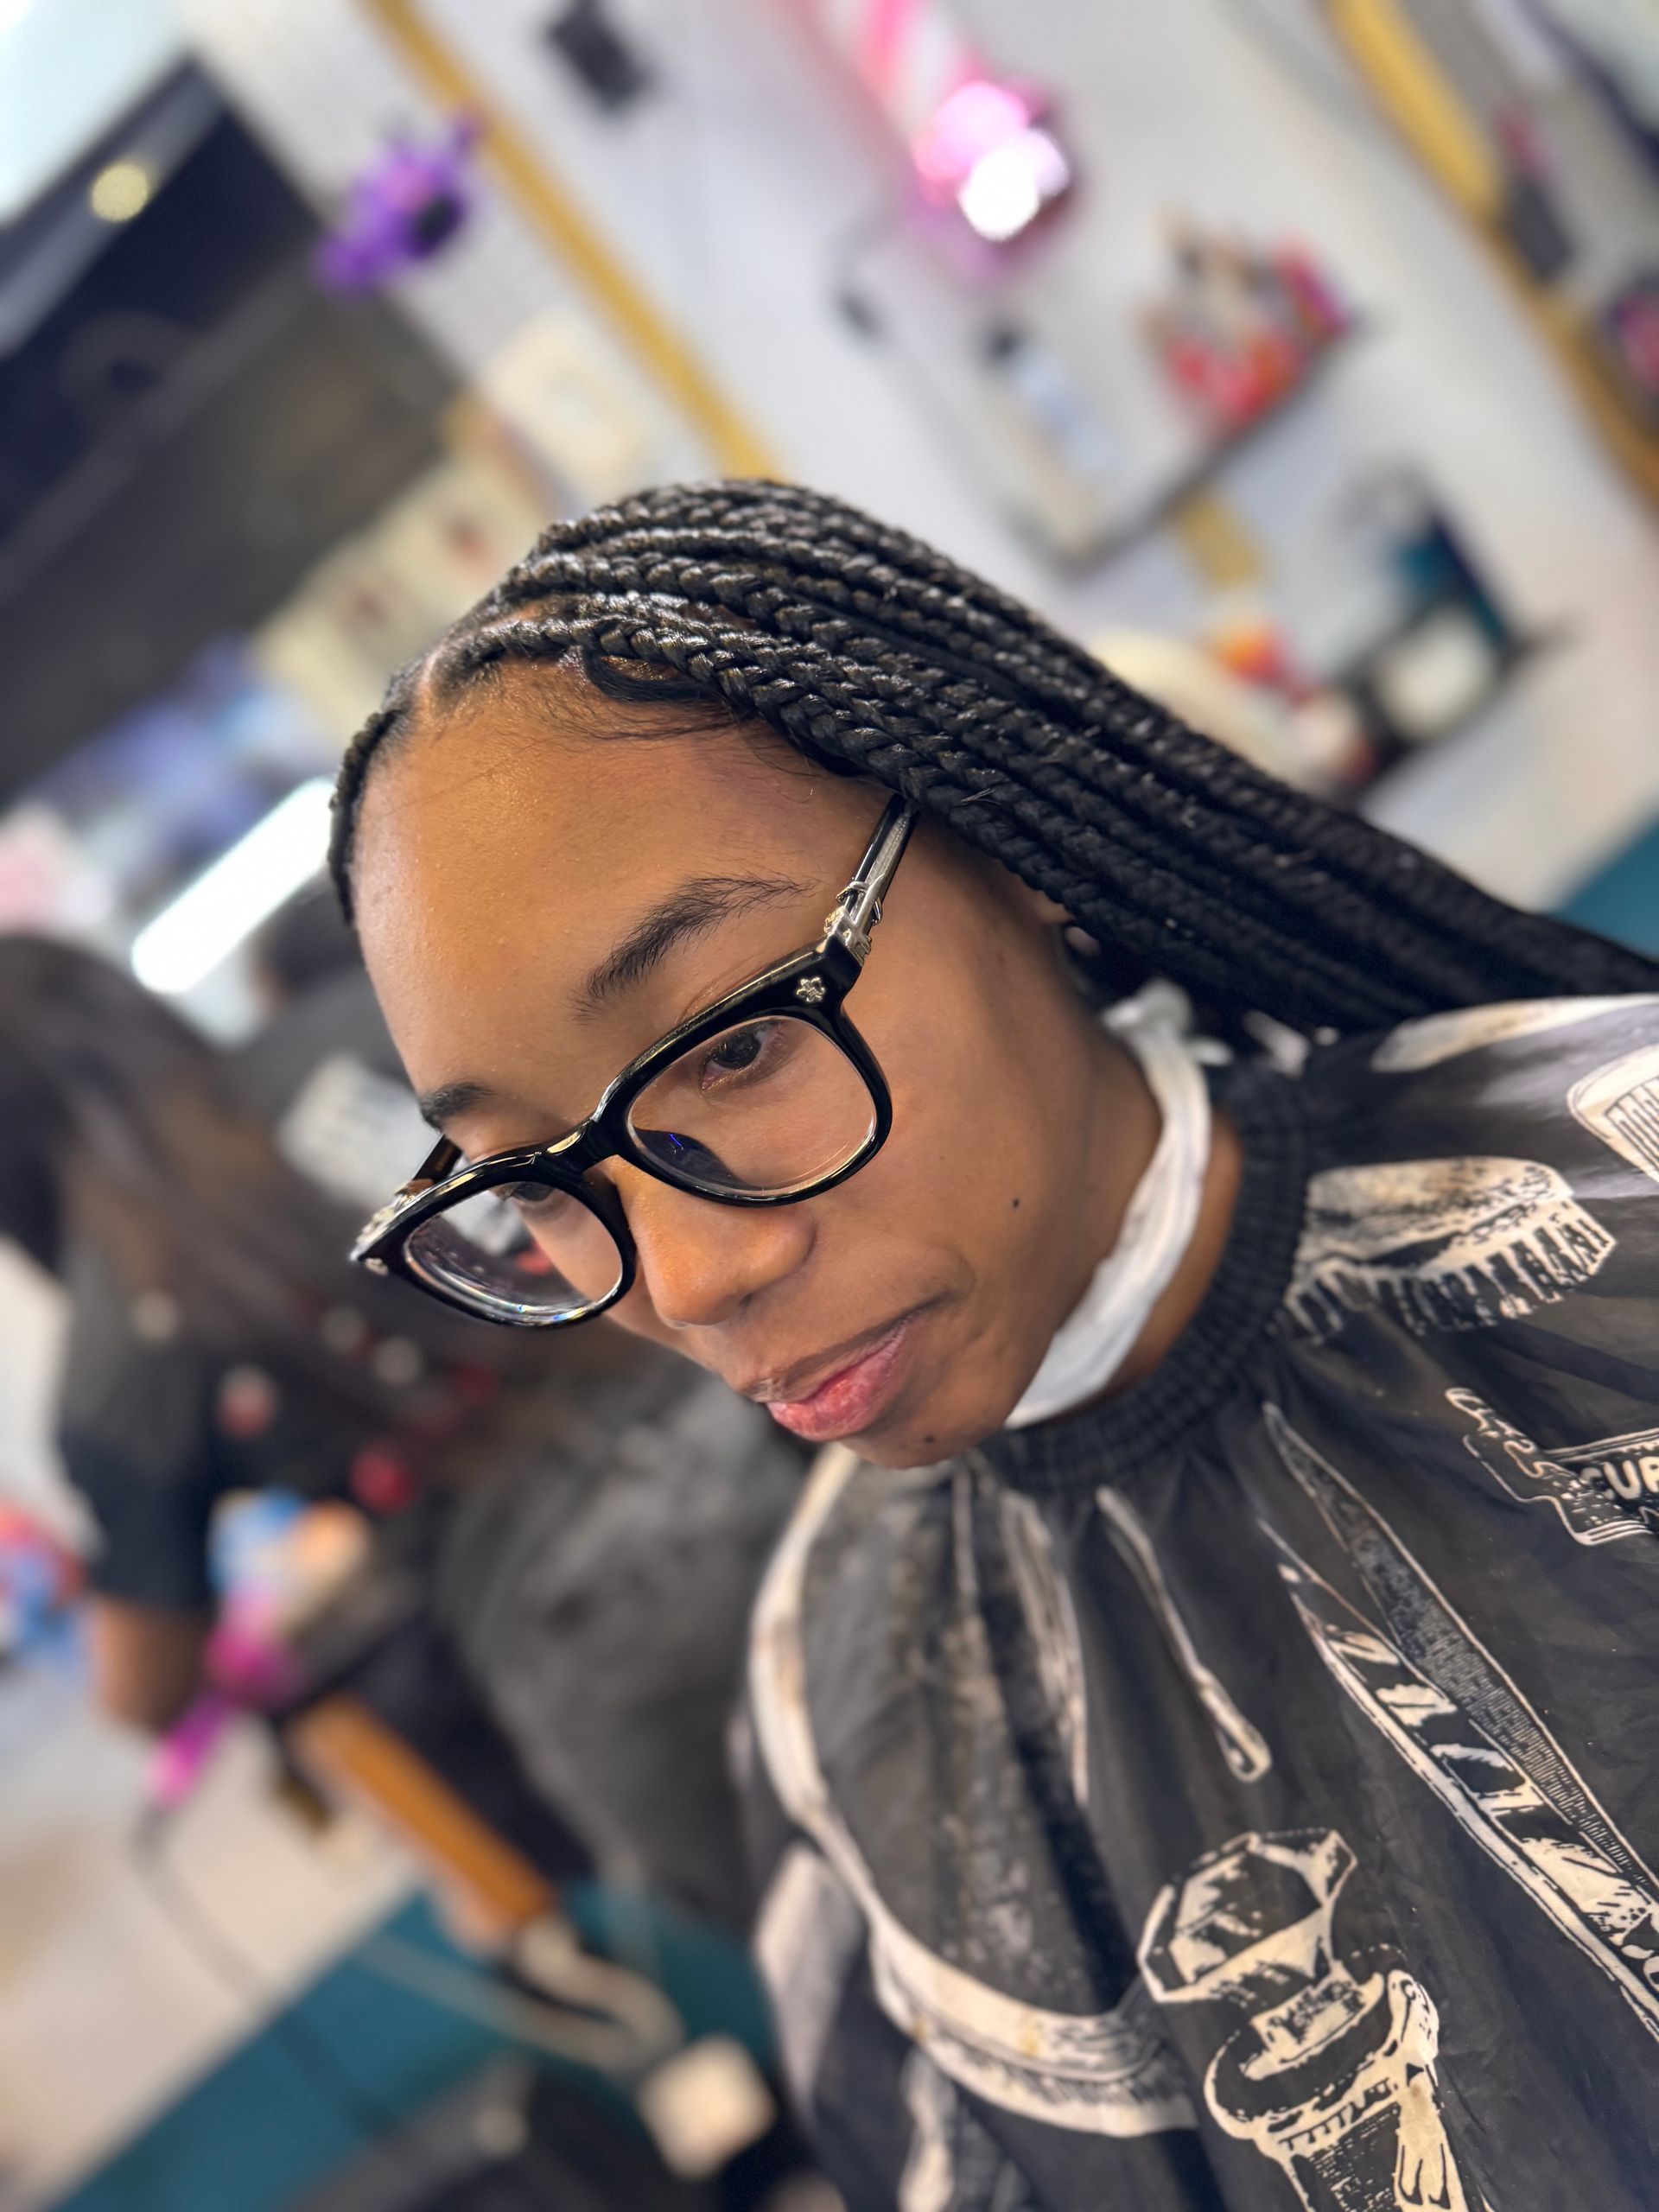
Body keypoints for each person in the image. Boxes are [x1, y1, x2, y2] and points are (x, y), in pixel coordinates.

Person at [327, 479, 1659, 2211]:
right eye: (528, 1182)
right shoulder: (838, 1699)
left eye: (734, 1045)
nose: (689, 1272)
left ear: (1006, 848)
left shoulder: (1610, 1202)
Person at [0, 935, 803, 1934]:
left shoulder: (111, 1363)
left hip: (596, 1643)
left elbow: (145, 1691)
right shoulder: (359, 1033)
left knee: (837, 1963)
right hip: (767, 1437)